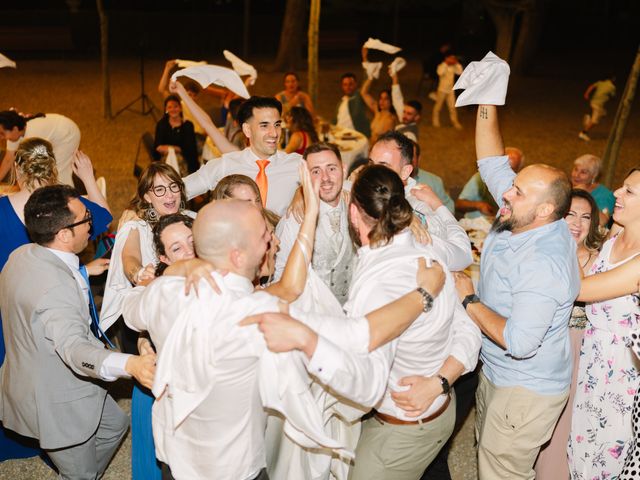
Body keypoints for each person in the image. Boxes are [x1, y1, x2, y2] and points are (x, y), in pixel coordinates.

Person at [123, 191, 445, 480]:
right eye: (264, 235)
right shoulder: (254, 312)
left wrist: (178, 270)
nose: (270, 240)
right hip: (235, 472)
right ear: (237, 255)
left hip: (176, 465)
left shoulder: (164, 293)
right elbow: (361, 335)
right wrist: (424, 293)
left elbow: (130, 310)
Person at [310, 163, 480, 480]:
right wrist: (442, 381)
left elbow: (363, 381)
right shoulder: (430, 249)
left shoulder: (379, 285)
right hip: (441, 409)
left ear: (354, 213)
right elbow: (468, 326)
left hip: (403, 430)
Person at [453, 101, 580, 479]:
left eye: (518, 192)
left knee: (502, 471)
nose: (506, 194)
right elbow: (491, 161)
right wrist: (488, 98)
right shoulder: (521, 214)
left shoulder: (543, 262)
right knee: (489, 456)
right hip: (498, 371)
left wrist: (469, 300)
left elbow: (522, 342)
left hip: (526, 388)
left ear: (544, 211)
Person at [0, 184, 155, 479]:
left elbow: (39, 301)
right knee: (79, 474)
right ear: (63, 234)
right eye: (86, 219)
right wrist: (131, 363)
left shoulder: (22, 254)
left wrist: (81, 272)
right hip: (55, 401)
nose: (92, 225)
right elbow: (74, 349)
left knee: (116, 426)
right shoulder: (56, 290)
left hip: (43, 371)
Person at [0, 138, 112, 462]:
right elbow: (103, 216)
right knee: (62, 367)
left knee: (16, 365)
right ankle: (62, 438)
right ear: (53, 167)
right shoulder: (68, 206)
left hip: (11, 304)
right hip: (60, 298)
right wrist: (88, 177)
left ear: (17, 170)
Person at [568, 167, 640, 479]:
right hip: (593, 357)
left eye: (629, 191)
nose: (616, 194)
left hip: (623, 371)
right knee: (581, 443)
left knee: (609, 455)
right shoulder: (616, 234)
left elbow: (581, 289)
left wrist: (561, 238)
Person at [534, 189, 604, 479]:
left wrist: (566, 246)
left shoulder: (597, 259)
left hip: (577, 348)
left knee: (564, 423)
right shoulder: (540, 251)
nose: (577, 222)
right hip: (541, 345)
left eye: (586, 216)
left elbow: (582, 290)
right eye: (570, 214)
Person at [132, 213, 196, 480]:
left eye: (192, 241)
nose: (189, 252)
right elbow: (133, 314)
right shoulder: (157, 292)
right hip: (178, 412)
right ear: (164, 259)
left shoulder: (231, 276)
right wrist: (144, 340)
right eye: (177, 248)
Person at [100, 163, 192, 341]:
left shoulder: (193, 218)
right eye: (159, 189)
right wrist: (139, 273)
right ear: (147, 196)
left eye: (174, 186)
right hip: (146, 320)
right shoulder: (136, 226)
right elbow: (130, 258)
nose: (170, 194)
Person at [369, 130, 473, 271]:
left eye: (383, 166)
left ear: (405, 172)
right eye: (371, 164)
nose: (372, 173)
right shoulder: (363, 189)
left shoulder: (420, 207)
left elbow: (463, 256)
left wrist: (435, 206)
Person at [182, 95, 301, 216]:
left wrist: (302, 193)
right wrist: (199, 221)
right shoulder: (226, 164)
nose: (274, 133)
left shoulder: (297, 164)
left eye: (277, 124)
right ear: (247, 130)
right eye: (264, 125)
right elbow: (174, 192)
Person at [275, 142, 354, 305]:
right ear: (305, 177)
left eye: (332, 168)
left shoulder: (360, 205)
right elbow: (280, 277)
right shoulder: (295, 220)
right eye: (316, 171)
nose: (325, 178)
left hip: (355, 310)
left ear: (344, 170)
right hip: (314, 314)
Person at [0, 110, 80, 186]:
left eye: (2, 133)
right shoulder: (14, 135)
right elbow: (8, 160)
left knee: (59, 171)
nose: (1, 137)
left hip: (68, 134)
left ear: (15, 129)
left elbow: (36, 165)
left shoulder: (32, 134)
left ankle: (68, 196)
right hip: (57, 132)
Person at [456, 146, 525, 218]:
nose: (504, 173)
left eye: (510, 170)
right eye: (503, 167)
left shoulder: (521, 186)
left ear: (518, 171)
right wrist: (479, 205)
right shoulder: (480, 177)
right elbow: (459, 204)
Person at [153, 94, 198, 175]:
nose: (173, 109)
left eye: (175, 106)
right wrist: (175, 148)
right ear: (166, 109)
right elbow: (158, 147)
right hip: (164, 161)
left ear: (180, 108)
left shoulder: (188, 125)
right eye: (169, 107)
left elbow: (190, 149)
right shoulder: (161, 124)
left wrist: (170, 148)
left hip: (186, 161)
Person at [361, 47, 397, 143]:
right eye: (381, 98)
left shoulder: (392, 119)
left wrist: (394, 77)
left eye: (386, 99)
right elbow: (363, 93)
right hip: (370, 146)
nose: (382, 101)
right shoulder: (377, 111)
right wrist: (371, 76)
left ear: (392, 101)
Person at [411, 140, 455, 213]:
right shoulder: (392, 180)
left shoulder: (434, 181)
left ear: (418, 159)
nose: (407, 160)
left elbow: (448, 207)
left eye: (411, 156)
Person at [570, 153, 615, 223]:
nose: (576, 175)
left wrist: (585, 196)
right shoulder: (567, 187)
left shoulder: (605, 196)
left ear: (594, 175)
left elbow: (602, 222)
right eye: (576, 169)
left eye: (583, 172)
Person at [579, 75, 616, 141]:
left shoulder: (600, 83)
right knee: (594, 121)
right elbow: (613, 96)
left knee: (603, 113)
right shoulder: (612, 87)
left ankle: (588, 120)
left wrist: (586, 94)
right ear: (613, 79)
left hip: (593, 102)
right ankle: (583, 133)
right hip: (597, 105)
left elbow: (591, 87)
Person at [334, 73, 371, 138]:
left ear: (356, 84)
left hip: (355, 136)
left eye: (350, 84)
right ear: (342, 86)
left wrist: (369, 74)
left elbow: (365, 88)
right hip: (339, 135)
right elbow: (335, 120)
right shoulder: (341, 102)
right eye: (345, 85)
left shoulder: (359, 97)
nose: (348, 87)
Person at [432, 54, 463, 129]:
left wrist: (456, 63)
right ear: (446, 58)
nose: (452, 59)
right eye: (450, 58)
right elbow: (440, 73)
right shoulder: (441, 66)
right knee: (438, 106)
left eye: (453, 58)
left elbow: (460, 72)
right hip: (442, 90)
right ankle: (435, 121)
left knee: (452, 107)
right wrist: (446, 63)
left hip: (450, 90)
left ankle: (455, 122)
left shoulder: (453, 67)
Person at [390, 69, 422, 141]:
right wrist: (394, 78)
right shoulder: (407, 120)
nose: (404, 115)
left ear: (417, 117)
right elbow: (397, 99)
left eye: (409, 114)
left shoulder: (410, 135)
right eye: (404, 112)